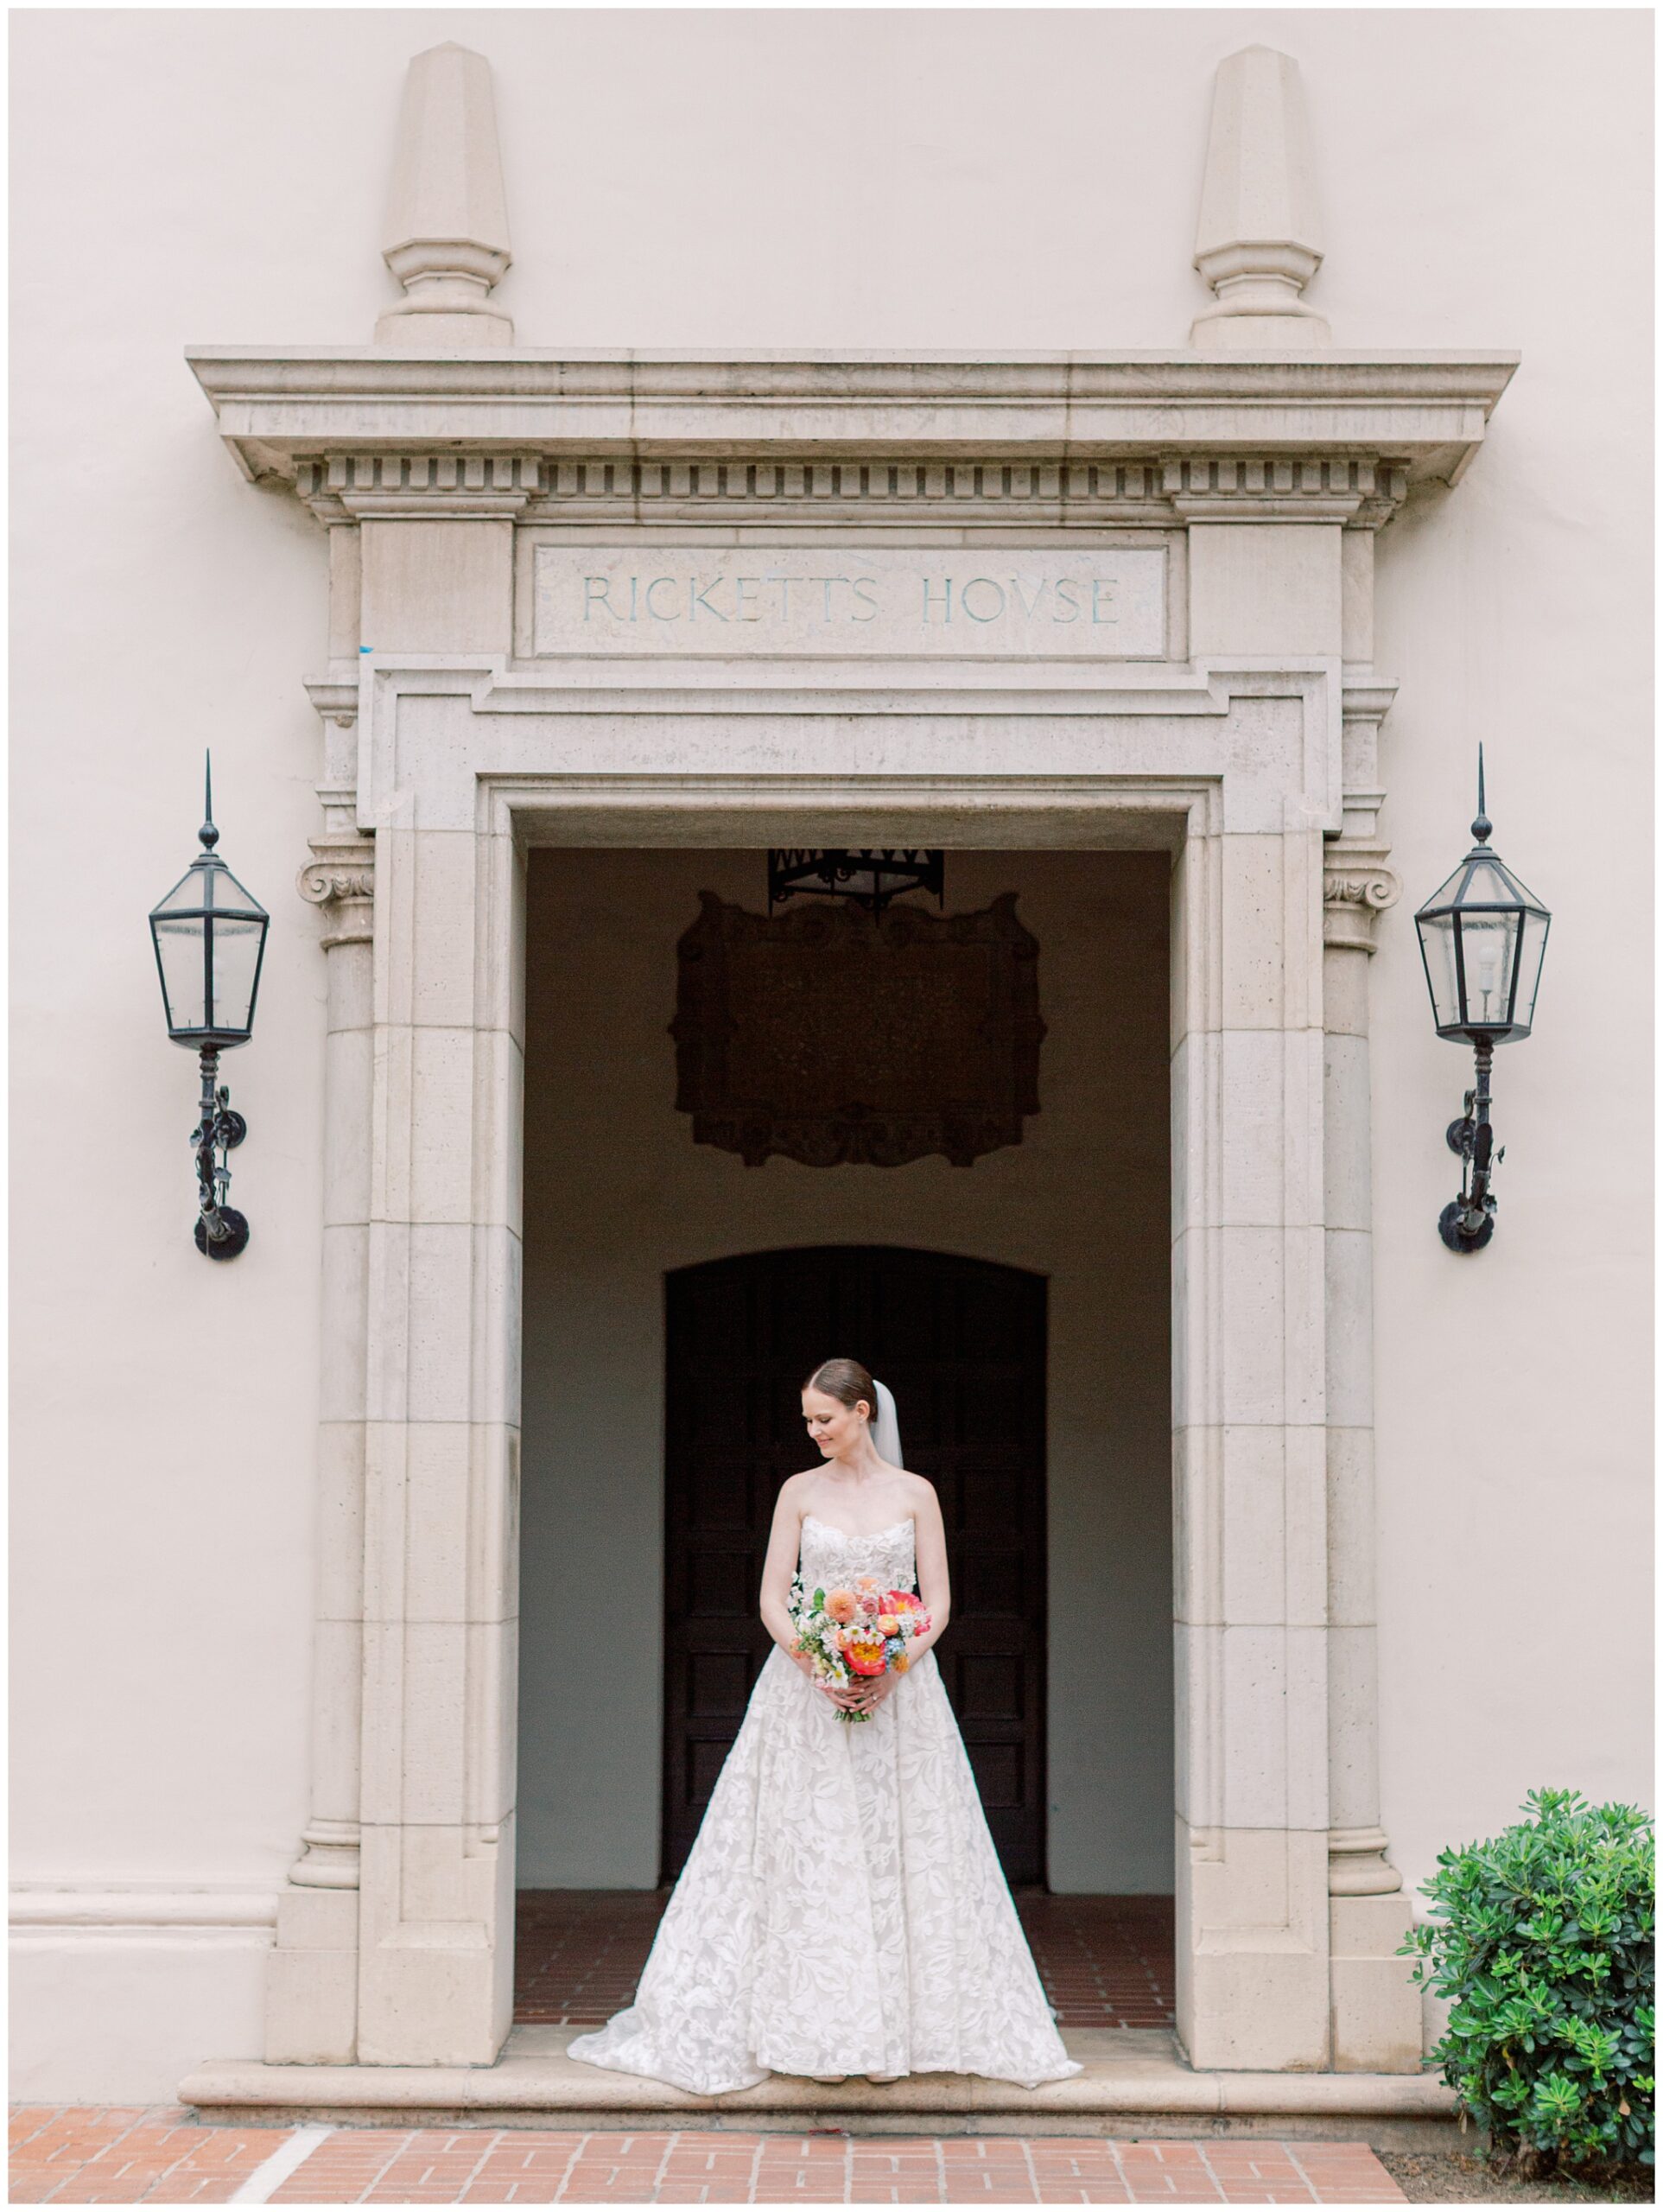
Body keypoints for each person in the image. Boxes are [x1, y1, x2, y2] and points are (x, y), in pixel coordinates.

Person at [567, 1357, 1082, 2095]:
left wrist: (888, 1667)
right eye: (807, 1419)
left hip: (899, 1694)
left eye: (823, 1418)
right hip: (805, 1691)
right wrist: (820, 1664)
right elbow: (774, 1599)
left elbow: (934, 1600)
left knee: (900, 1846)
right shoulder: (796, 1493)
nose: (811, 1431)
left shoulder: (917, 1494)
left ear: (862, 1412)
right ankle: (818, 2027)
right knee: (811, 1846)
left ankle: (893, 2031)